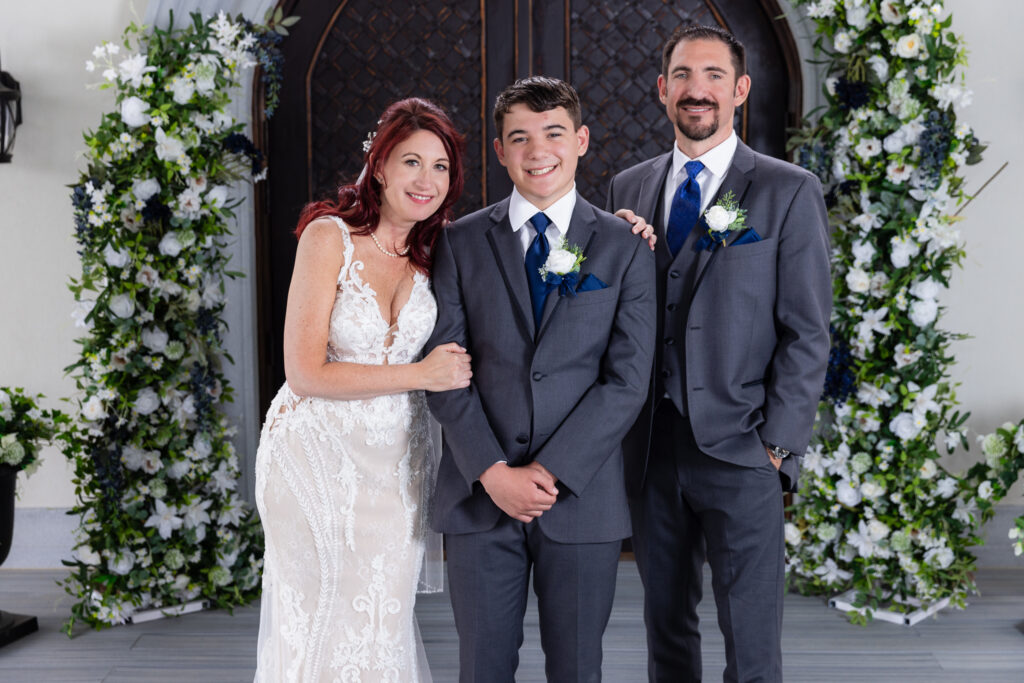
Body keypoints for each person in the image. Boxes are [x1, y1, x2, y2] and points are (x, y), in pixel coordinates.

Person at [606, 25, 832, 683]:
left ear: (739, 90)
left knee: (752, 639)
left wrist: (778, 447)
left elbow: (807, 330)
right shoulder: (628, 187)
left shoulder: (787, 190)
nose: (695, 89)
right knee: (666, 631)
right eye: (681, 75)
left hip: (743, 447)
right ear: (662, 90)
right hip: (651, 449)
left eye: (711, 75)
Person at [424, 76, 657, 682]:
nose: (537, 151)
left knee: (578, 669)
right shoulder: (458, 242)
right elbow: (444, 369)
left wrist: (549, 474)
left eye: (553, 133)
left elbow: (627, 379)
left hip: (580, 499)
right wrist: (494, 472)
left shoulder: (623, 246)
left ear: (580, 141)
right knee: (482, 668)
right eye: (519, 137)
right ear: (499, 150)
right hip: (482, 496)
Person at [253, 98, 472, 683]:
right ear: (379, 166)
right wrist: (420, 375)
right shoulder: (329, 238)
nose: (426, 180)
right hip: (313, 458)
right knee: (318, 619)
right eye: (411, 162)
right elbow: (304, 373)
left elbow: (523, 243)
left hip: (399, 464)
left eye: (441, 167)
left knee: (380, 616)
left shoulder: (445, 251)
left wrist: (627, 228)